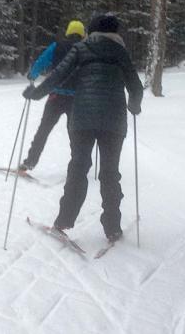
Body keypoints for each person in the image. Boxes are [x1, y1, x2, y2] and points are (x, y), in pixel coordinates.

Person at [23, 14, 143, 242]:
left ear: (92, 30)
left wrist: (35, 93)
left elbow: (56, 76)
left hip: (82, 119)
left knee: (78, 167)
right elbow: (135, 87)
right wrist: (134, 105)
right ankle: (113, 228)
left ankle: (63, 221)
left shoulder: (81, 48)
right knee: (110, 173)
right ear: (116, 32)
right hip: (113, 120)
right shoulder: (121, 52)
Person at [19, 20, 86, 172]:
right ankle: (78, 166)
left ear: (68, 32)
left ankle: (30, 162)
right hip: (76, 99)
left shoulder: (57, 46)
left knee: (43, 130)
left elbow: (42, 61)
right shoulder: (85, 49)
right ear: (82, 34)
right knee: (75, 134)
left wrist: (33, 75)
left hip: (56, 96)